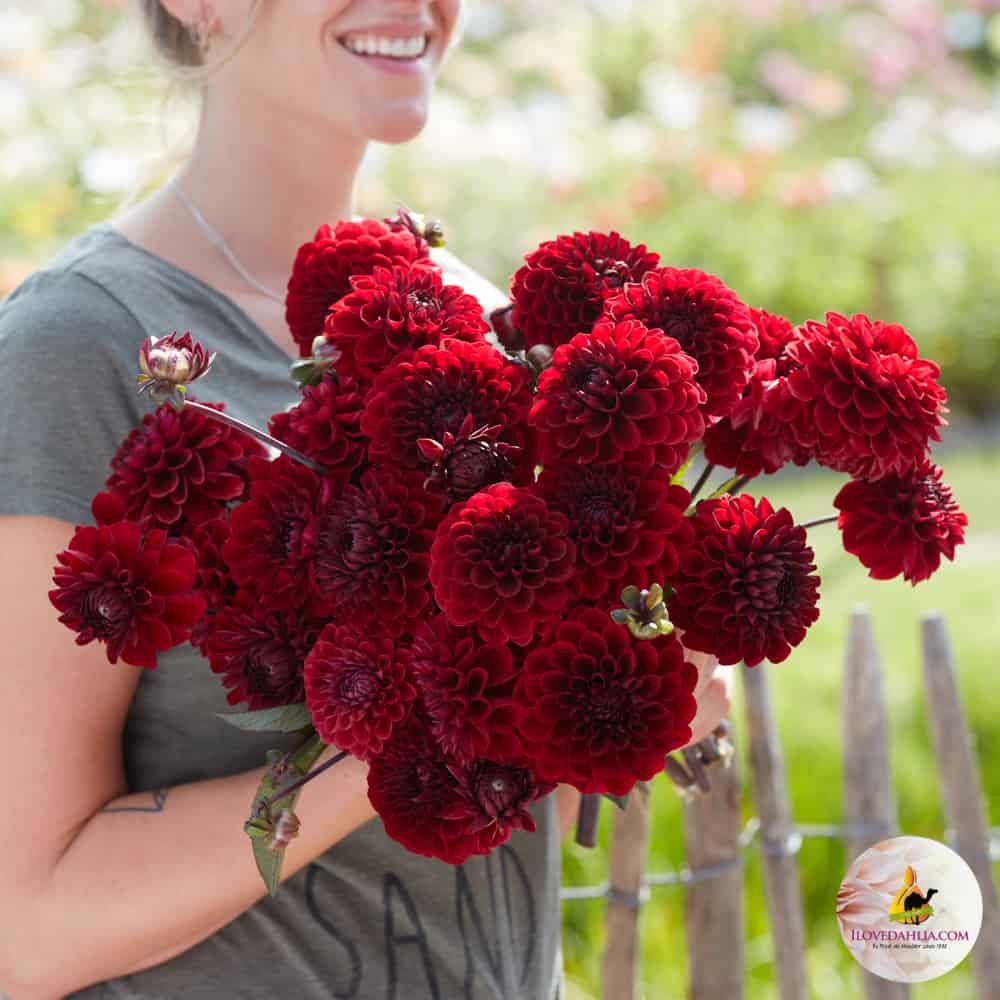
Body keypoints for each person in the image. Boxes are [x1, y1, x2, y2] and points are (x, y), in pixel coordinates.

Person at [0, 2, 732, 998]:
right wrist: (390, 740)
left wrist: (621, 695)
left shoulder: (479, 325)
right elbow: (28, 927)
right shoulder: (81, 346)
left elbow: (508, 835)